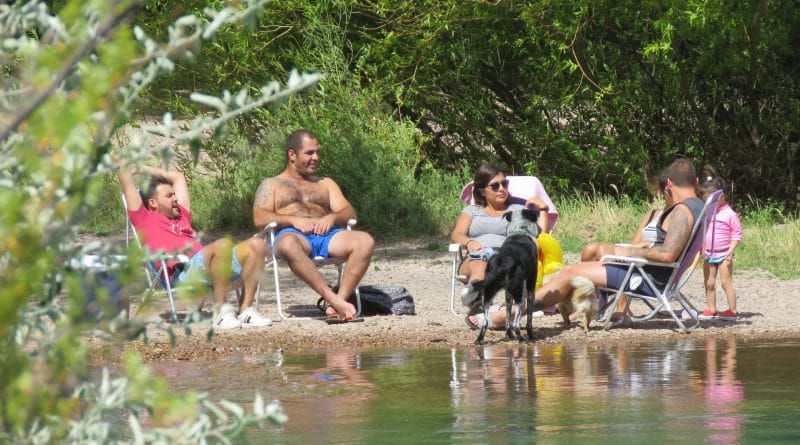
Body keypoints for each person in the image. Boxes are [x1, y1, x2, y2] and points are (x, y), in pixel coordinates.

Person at [471, 158, 703, 330]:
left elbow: (666, 255)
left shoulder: (681, 211)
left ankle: (509, 313)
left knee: (569, 274)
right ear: (696, 182)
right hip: (650, 274)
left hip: (645, 278)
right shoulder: (698, 207)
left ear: (669, 183)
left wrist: (626, 251)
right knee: (573, 270)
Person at [118, 164, 272, 329]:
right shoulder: (143, 218)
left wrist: (143, 168)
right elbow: (123, 173)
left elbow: (178, 177)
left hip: (213, 266)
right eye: (169, 196)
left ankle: (245, 312)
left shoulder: (181, 215)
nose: (175, 199)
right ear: (153, 203)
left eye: (174, 194)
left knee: (257, 244)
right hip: (182, 273)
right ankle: (222, 313)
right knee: (223, 244)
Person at [252, 129, 375, 322]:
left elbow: (349, 212)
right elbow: (259, 217)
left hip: (327, 235)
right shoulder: (271, 184)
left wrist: (332, 217)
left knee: (365, 241)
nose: (315, 158)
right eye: (309, 153)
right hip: (293, 236)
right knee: (287, 244)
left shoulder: (325, 183)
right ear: (292, 155)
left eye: (317, 152)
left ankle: (338, 303)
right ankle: (332, 298)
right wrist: (292, 220)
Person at [450, 163, 550, 317]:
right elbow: (457, 235)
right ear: (482, 191)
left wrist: (542, 208)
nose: (502, 189)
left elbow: (540, 234)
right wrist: (469, 242)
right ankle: (477, 304)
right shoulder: (472, 211)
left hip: (505, 258)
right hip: (475, 257)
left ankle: (485, 305)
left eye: (504, 184)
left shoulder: (517, 210)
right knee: (481, 263)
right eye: (495, 186)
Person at [581, 171, 672, 262]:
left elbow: (669, 248)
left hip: (648, 259)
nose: (669, 192)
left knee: (592, 250)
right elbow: (634, 243)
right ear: (661, 191)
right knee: (590, 250)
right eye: (665, 188)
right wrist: (641, 245)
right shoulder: (652, 214)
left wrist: (650, 244)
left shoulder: (677, 216)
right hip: (636, 253)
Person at [697, 167, 742, 321]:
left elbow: (737, 235)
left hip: (724, 254)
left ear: (721, 196)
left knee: (725, 283)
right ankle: (711, 308)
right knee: (709, 283)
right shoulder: (708, 211)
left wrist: (731, 250)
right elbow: (702, 229)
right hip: (709, 253)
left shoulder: (730, 214)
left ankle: (732, 311)